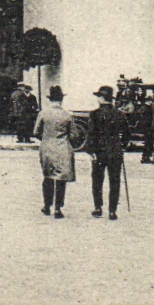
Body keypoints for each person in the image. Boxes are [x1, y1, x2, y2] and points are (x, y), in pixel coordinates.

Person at [31, 86, 77, 217]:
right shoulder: (68, 115)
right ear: (62, 99)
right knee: (61, 179)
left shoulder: (43, 113)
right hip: (63, 148)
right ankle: (57, 208)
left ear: (50, 99)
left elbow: (35, 132)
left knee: (48, 177)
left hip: (47, 148)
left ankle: (46, 206)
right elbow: (74, 135)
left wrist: (46, 139)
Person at [87, 85, 129, 220]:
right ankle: (112, 211)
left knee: (97, 180)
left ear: (101, 98)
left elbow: (91, 134)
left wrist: (91, 151)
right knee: (115, 181)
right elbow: (127, 133)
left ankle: (98, 207)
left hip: (99, 152)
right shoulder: (119, 114)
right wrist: (122, 146)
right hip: (115, 151)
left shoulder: (94, 114)